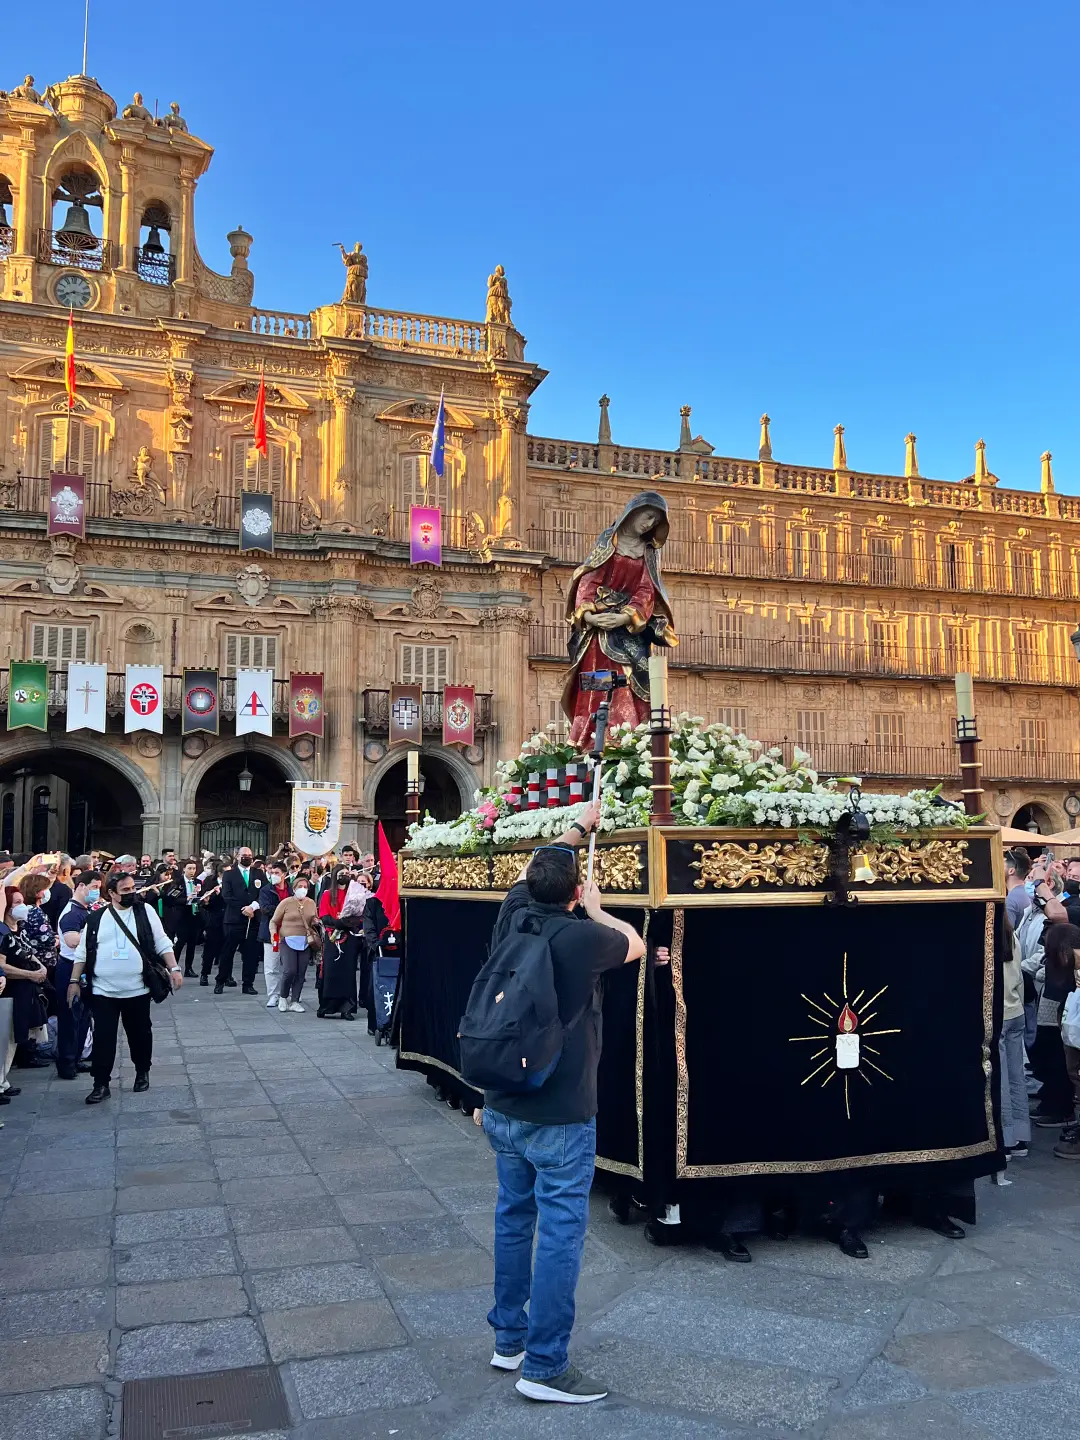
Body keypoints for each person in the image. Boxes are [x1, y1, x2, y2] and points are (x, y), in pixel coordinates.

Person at [481, 802, 645, 1403]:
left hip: (502, 1100)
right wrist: (600, 909)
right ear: (575, 892)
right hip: (560, 1107)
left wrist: (580, 825)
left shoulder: (512, 915)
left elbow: (533, 870)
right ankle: (546, 1366)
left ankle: (509, 1341)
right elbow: (636, 942)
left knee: (512, 1216)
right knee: (559, 1232)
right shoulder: (582, 937)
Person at [561, 491, 677, 748]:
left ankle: (631, 734)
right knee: (599, 679)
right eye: (647, 517)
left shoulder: (648, 552)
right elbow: (589, 578)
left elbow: (647, 589)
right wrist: (589, 615)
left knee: (637, 678)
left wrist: (626, 616)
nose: (648, 524)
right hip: (600, 629)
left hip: (629, 628)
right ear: (633, 512)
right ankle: (593, 736)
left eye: (655, 522)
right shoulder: (608, 542)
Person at [69, 870, 182, 1103]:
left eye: (133, 888)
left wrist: (174, 968)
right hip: (103, 991)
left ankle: (142, 1071)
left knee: (140, 1034)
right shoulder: (96, 918)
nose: (132, 893)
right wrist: (73, 982)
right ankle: (100, 1084)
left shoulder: (145, 912)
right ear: (111, 893)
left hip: (137, 989)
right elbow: (81, 953)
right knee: (104, 1039)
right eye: (126, 890)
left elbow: (162, 942)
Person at [0, 885, 50, 1079]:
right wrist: (29, 974)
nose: (23, 907)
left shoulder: (19, 928)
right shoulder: (3, 933)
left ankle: (4, 1082)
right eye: (17, 903)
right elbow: (3, 965)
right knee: (8, 1038)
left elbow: (28, 952)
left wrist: (40, 967)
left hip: (26, 990)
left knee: (16, 1037)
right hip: (12, 990)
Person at [55, 870, 99, 1079]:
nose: (96, 892)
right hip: (70, 967)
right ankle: (66, 1062)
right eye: (94, 888)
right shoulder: (72, 913)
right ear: (81, 886)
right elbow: (72, 940)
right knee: (70, 1017)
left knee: (83, 1018)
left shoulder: (86, 909)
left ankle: (77, 1056)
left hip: (84, 969)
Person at [999, 913, 1031, 1160]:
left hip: (997, 1015)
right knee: (1017, 1074)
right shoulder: (1013, 937)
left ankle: (1006, 1138)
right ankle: (1021, 1135)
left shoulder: (985, 940)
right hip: (1015, 1010)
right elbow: (1019, 977)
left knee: (1000, 1079)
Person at [217, 847, 266, 994]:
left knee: (251, 954)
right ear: (237, 857)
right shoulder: (229, 874)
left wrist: (253, 907)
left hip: (253, 919)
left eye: (250, 856)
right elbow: (227, 895)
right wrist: (243, 909)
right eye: (244, 855)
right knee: (228, 953)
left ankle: (248, 984)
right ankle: (221, 980)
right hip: (234, 919)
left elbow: (263, 892)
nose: (247, 858)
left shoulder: (259, 873)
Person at [269, 884, 320, 1012]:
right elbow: (274, 921)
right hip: (287, 939)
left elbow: (315, 918)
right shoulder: (286, 903)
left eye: (305, 886)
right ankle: (283, 996)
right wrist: (273, 933)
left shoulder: (311, 903)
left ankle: (295, 1001)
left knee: (301, 973)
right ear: (294, 888)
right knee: (289, 970)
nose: (302, 889)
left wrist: (315, 921)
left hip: (305, 940)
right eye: (299, 886)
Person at [317, 865, 359, 1019]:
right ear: (335, 876)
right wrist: (337, 922)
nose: (345, 876)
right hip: (331, 937)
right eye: (342, 873)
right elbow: (324, 915)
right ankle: (327, 1006)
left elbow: (358, 914)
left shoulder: (353, 895)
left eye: (347, 873)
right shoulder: (328, 894)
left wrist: (347, 922)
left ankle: (347, 1007)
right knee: (331, 971)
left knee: (347, 973)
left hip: (349, 938)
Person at [259, 859, 292, 1009]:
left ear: (284, 874)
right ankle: (273, 995)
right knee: (271, 967)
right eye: (271, 873)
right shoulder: (266, 890)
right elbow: (265, 908)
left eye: (277, 873)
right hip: (272, 933)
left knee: (289, 966)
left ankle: (287, 994)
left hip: (290, 932)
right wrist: (285, 910)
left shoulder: (291, 889)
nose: (273, 875)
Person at [161, 859, 202, 977]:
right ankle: (173, 967)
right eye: (189, 868)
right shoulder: (177, 882)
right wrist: (186, 899)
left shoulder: (198, 882)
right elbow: (171, 899)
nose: (192, 871)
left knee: (192, 943)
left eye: (194, 869)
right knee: (180, 942)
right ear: (184, 869)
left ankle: (189, 968)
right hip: (182, 915)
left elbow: (202, 894)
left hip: (194, 914)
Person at [197, 860, 224, 985]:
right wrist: (207, 900)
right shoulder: (209, 881)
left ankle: (226, 975)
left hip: (228, 919)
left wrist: (222, 894)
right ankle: (204, 973)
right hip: (214, 919)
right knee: (210, 948)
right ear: (219, 873)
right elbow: (203, 902)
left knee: (226, 950)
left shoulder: (232, 883)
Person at [1004, 849, 1033, 927]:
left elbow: (1007, 934)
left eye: (1001, 865)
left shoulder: (1010, 900)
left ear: (1011, 871)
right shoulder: (1029, 893)